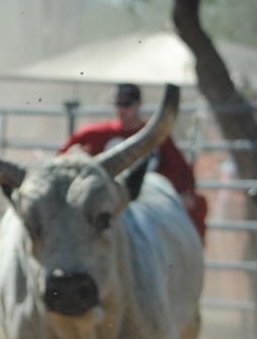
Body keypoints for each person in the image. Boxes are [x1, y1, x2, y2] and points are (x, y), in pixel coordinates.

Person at [61, 82, 207, 240]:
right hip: (107, 208)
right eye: (118, 103)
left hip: (150, 207)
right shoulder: (94, 135)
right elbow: (63, 161)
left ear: (138, 104)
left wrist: (183, 193)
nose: (121, 109)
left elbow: (180, 172)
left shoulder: (156, 136)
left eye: (126, 104)